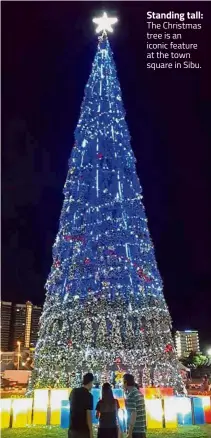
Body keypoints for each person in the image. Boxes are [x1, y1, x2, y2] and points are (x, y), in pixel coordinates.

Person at [68, 372, 94, 438]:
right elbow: (88, 417)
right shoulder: (89, 396)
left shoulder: (73, 391)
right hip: (83, 431)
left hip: (72, 430)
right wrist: (91, 432)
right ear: (90, 382)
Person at [123, 374, 146, 438]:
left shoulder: (131, 396)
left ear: (125, 382)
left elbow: (133, 413)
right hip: (141, 430)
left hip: (135, 431)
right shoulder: (138, 393)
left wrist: (130, 433)